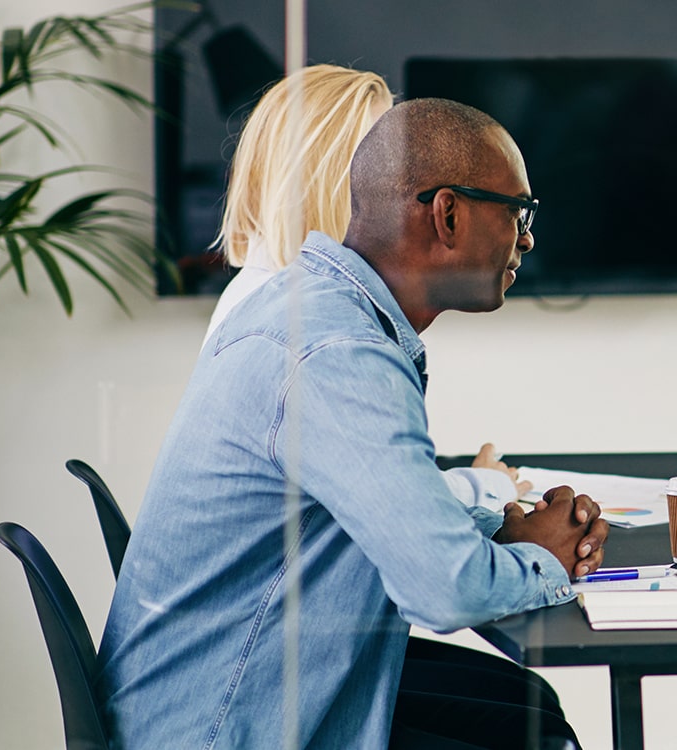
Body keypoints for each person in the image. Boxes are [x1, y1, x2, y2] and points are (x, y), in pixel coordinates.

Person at [100, 98, 607, 749]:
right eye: (519, 212)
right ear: (448, 213)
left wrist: (491, 524)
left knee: (525, 708)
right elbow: (445, 592)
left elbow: (367, 517)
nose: (527, 239)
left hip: (223, 692)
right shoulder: (337, 354)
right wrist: (547, 558)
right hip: (223, 726)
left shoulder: (315, 309)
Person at [202, 64, 530, 510]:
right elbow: (398, 515)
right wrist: (483, 488)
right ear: (345, 175)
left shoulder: (262, 292)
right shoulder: (311, 328)